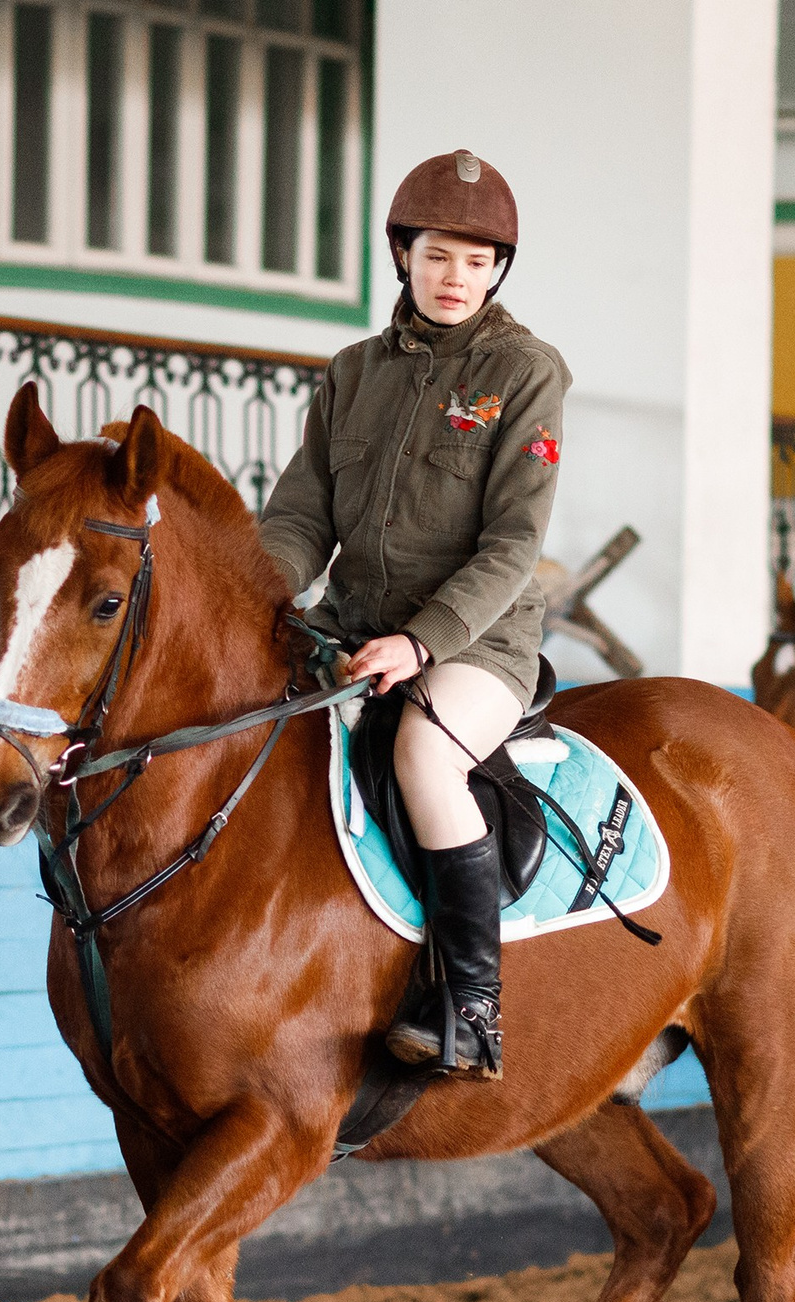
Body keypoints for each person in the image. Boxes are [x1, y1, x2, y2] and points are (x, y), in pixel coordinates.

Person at [258, 149, 570, 1081]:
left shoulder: (526, 372)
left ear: (498, 270)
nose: (454, 278)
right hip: (352, 629)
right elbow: (300, 517)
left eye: (476, 262)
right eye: (438, 256)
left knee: (424, 754)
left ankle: (473, 1004)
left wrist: (421, 642)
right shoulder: (353, 372)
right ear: (404, 255)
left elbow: (514, 544)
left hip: (477, 644)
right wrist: (255, 594)